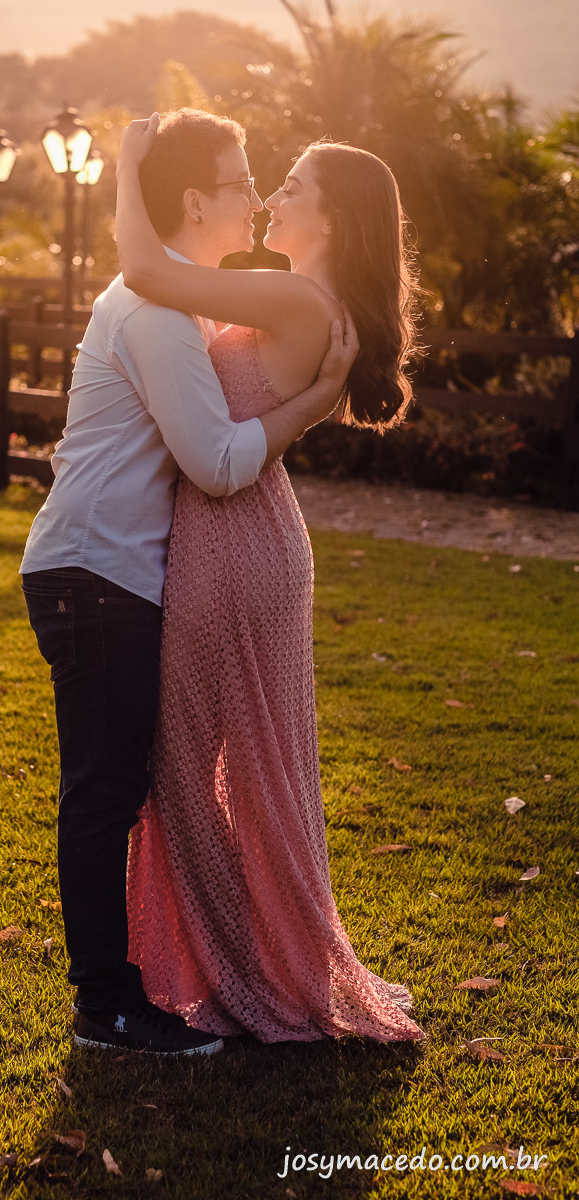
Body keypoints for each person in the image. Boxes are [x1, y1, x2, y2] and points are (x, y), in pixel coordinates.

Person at [19, 108, 359, 1057]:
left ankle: (176, 978)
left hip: (112, 572)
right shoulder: (159, 313)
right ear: (197, 201)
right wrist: (312, 402)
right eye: (242, 181)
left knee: (122, 785)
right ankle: (107, 1006)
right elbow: (214, 463)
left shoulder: (187, 303)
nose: (255, 196)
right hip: (96, 572)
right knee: (106, 791)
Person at [117, 113, 428, 1043]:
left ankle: (254, 973)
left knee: (183, 775)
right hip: (249, 538)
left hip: (233, 546)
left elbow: (147, 271)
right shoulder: (303, 301)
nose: (270, 199)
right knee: (226, 774)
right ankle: (264, 958)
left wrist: (126, 166)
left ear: (331, 220)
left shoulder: (296, 301)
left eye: (292, 187)